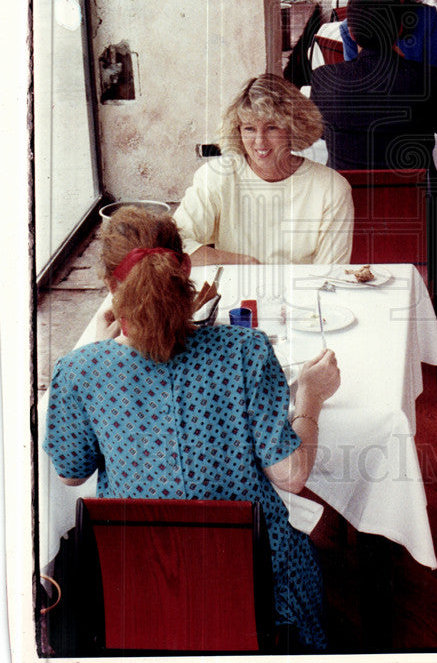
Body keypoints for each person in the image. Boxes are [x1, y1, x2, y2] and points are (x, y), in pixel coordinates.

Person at [43, 206, 339, 650]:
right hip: (253, 577)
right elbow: (291, 476)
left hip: (137, 581)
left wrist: (98, 357)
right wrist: (312, 396)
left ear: (111, 288)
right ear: (184, 271)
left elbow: (70, 472)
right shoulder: (246, 350)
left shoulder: (81, 370)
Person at [174, 74, 353, 265]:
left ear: (293, 129)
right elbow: (173, 245)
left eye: (272, 128)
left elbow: (332, 275)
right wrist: (242, 262)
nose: (260, 141)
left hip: (305, 293)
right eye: (249, 128)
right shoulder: (217, 176)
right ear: (237, 131)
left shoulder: (331, 187)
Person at [311, 0, 437, 172]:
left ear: (351, 34)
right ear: (400, 29)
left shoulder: (324, 79)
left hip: (344, 198)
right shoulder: (428, 78)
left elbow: (319, 132)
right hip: (418, 198)